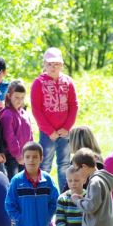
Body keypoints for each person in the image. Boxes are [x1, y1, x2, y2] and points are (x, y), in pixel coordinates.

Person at [30, 47, 79, 190]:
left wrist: (67, 127)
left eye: (56, 64)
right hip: (47, 133)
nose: (53, 67)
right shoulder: (38, 83)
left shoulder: (68, 82)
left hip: (64, 132)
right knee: (45, 163)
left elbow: (74, 105)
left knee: (64, 163)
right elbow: (36, 109)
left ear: (62, 65)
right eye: (50, 64)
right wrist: (49, 130)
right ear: (44, 65)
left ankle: (65, 194)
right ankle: (43, 192)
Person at [0, 79, 33, 179]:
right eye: (16, 97)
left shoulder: (24, 113)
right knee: (13, 182)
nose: (20, 100)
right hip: (12, 158)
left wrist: (31, 151)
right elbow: (10, 137)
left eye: (22, 97)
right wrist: (18, 155)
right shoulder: (7, 115)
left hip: (25, 155)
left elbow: (30, 134)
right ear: (9, 96)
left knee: (24, 182)